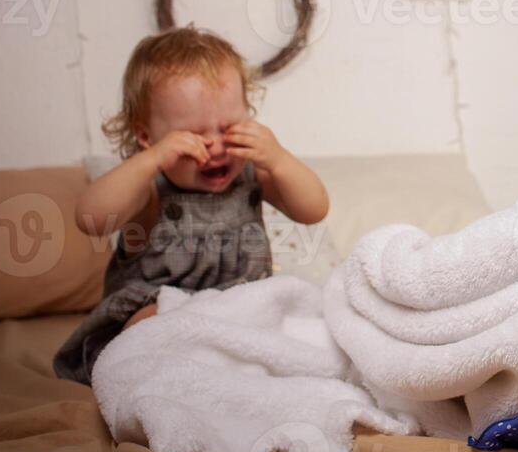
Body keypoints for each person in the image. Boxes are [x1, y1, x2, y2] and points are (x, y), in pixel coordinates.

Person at [53, 26, 329, 384]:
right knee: (145, 321)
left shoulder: (252, 174)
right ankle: (168, 385)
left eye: (229, 126)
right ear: (146, 135)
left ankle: (247, 377)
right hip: (166, 315)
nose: (214, 145)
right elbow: (90, 218)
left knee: (293, 321)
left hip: (238, 314)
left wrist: (278, 158)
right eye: (195, 134)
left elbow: (314, 209)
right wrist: (151, 160)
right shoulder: (149, 191)